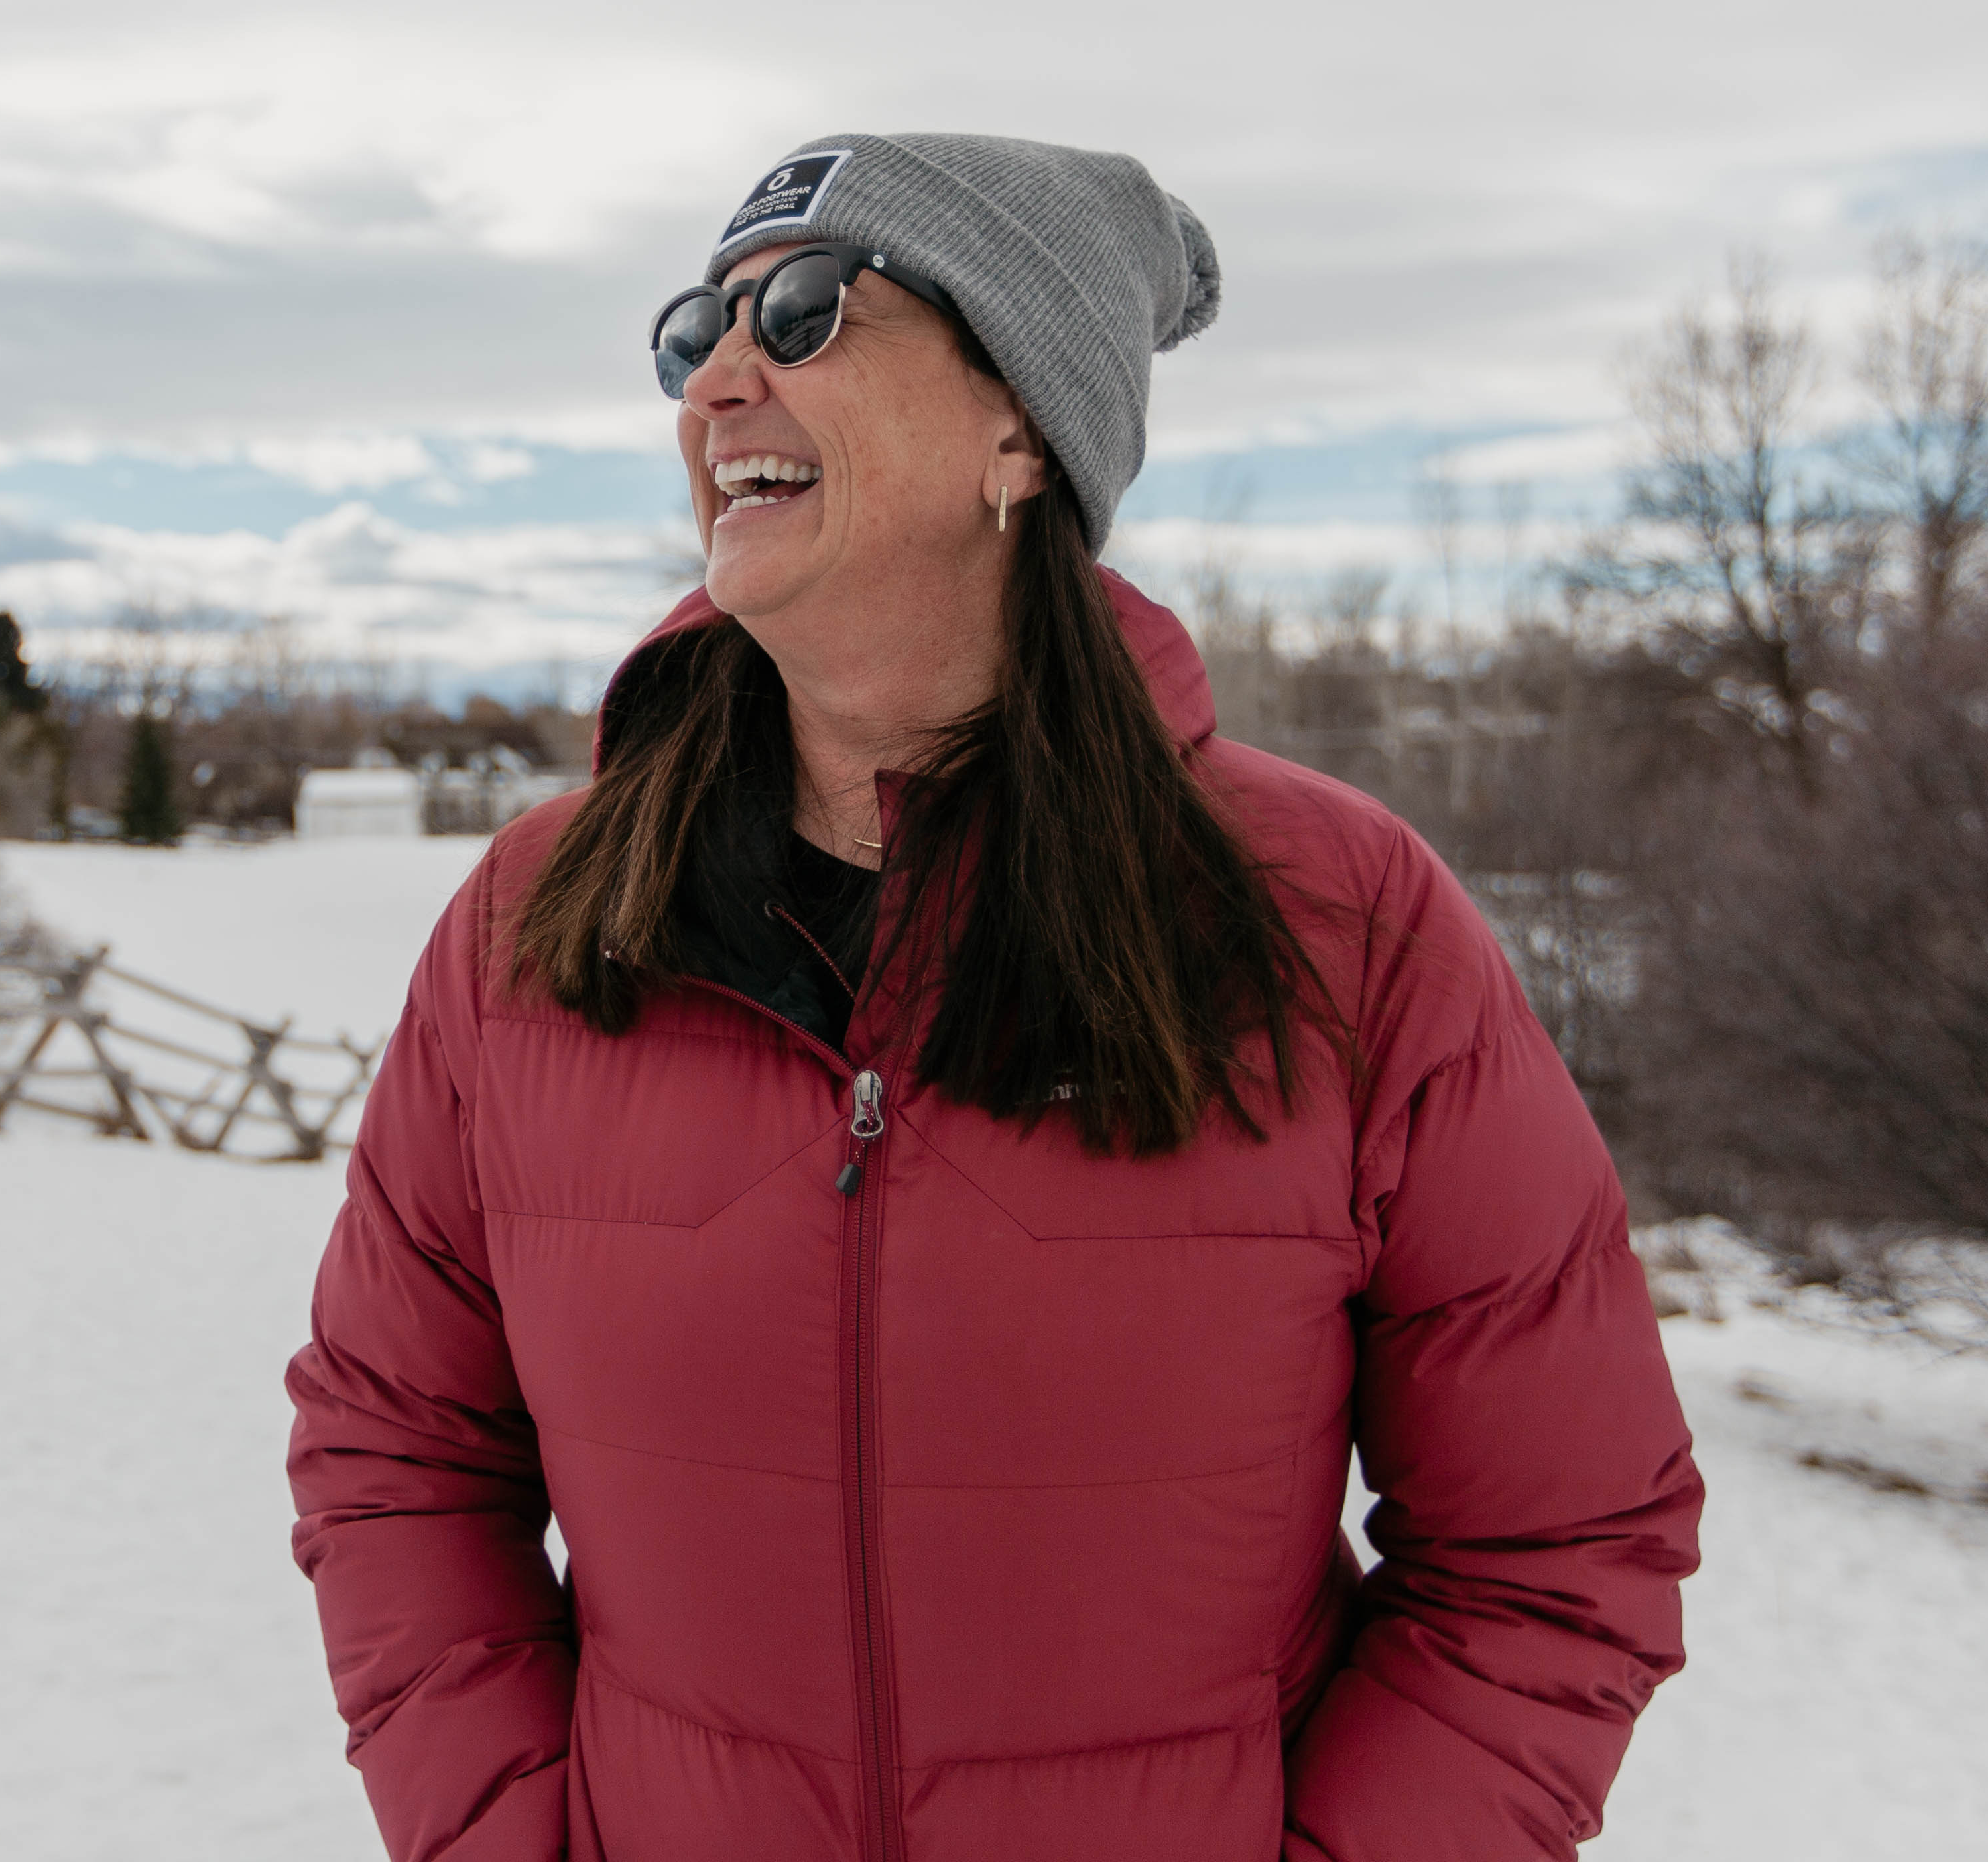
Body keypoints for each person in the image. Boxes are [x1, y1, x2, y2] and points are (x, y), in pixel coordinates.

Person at [285, 131, 1700, 1862]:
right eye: (692, 334)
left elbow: (1557, 1546)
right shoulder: (536, 921)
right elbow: (395, 1453)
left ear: (1021, 426)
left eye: (805, 314)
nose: (719, 380)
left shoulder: (1341, 925)